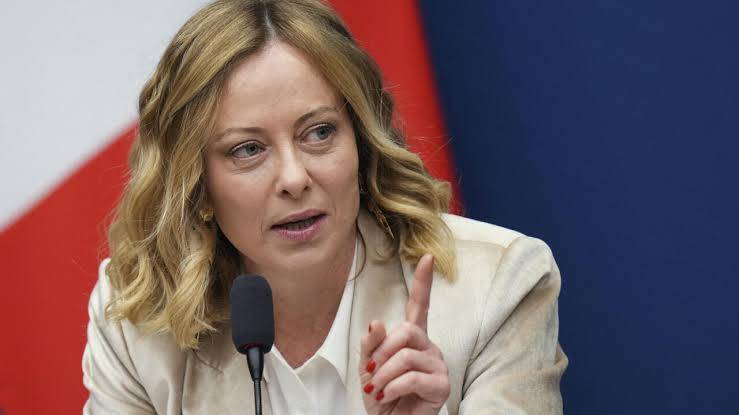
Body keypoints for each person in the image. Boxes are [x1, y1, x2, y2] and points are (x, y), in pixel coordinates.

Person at [82, 0, 568, 413]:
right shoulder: (137, 319)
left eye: (319, 132)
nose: (295, 178)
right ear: (198, 185)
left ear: (361, 141)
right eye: (248, 149)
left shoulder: (497, 288)